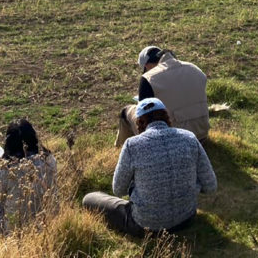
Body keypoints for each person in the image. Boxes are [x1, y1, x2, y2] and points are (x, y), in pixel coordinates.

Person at [84, 97, 217, 236]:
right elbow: (210, 186)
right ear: (166, 116)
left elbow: (118, 190)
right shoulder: (189, 138)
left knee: (89, 198)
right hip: (187, 219)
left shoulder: (132, 145)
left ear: (139, 123)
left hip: (145, 225)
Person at [115, 46, 209, 147]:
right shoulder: (195, 69)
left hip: (171, 141)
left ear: (147, 66)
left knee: (126, 112)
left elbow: (142, 115)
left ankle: (122, 150)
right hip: (201, 135)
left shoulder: (149, 78)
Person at [0, 118, 57, 234]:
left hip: (15, 230)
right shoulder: (49, 160)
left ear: (9, 143)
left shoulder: (6, 171)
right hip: (50, 222)